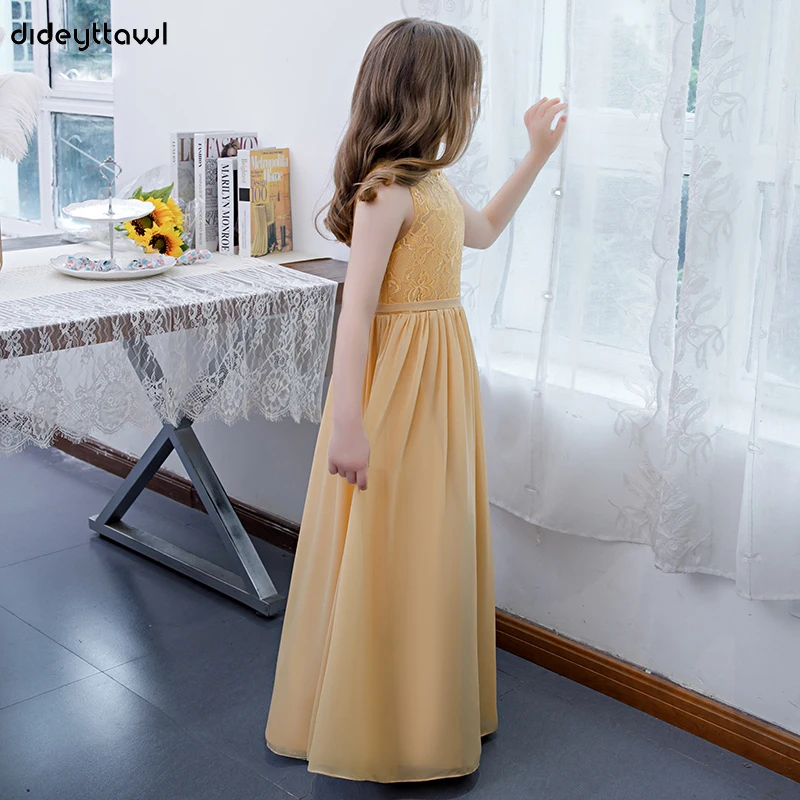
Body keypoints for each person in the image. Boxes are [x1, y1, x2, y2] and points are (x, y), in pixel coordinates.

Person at [265, 17, 567, 784]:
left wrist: (536, 155)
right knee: (389, 539)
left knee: (429, 536)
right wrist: (347, 425)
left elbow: (489, 231)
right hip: (396, 387)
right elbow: (357, 311)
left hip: (439, 382)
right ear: (431, 96)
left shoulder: (432, 186)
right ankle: (377, 717)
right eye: (466, 91)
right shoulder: (386, 194)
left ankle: (425, 709)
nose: (470, 105)